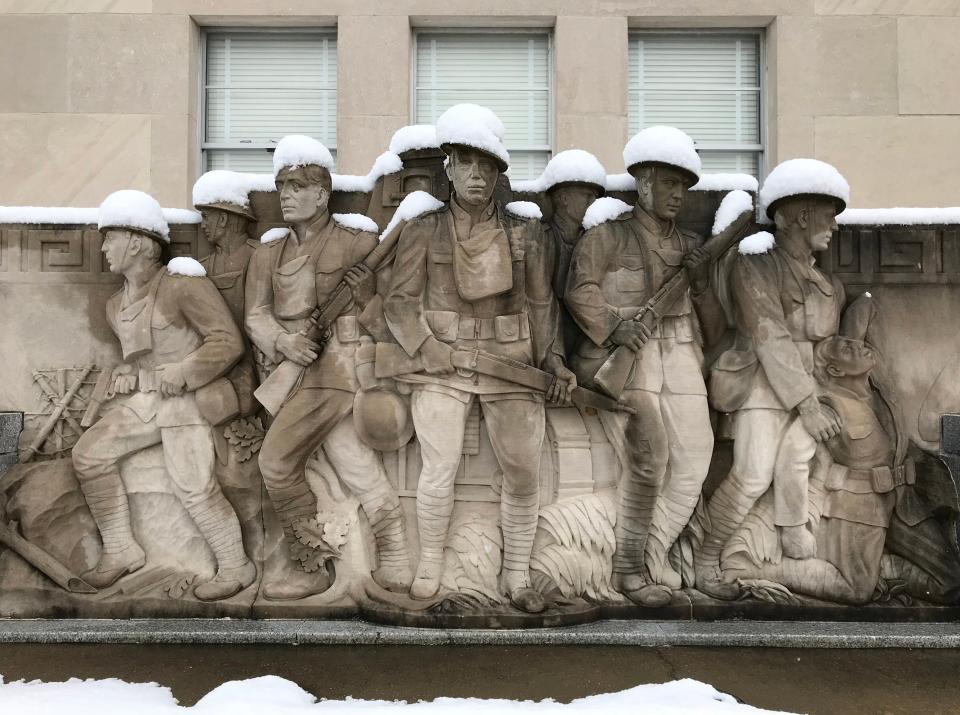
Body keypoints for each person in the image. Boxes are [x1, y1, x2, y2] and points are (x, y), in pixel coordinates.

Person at [383, 104, 576, 612]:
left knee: (522, 470)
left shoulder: (524, 232)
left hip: (509, 363)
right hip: (442, 365)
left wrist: (553, 360)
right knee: (438, 467)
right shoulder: (423, 229)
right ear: (449, 168)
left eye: (486, 166)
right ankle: (430, 563)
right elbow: (400, 301)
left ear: (497, 173)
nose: (475, 175)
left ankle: (516, 575)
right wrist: (428, 349)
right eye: (465, 163)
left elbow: (541, 302)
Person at [245, 135, 411, 601]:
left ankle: (310, 565)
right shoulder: (267, 253)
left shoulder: (358, 242)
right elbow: (254, 314)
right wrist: (284, 341)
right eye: (282, 187)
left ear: (323, 194)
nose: (287, 196)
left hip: (338, 370)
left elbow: (391, 309)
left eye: (297, 186)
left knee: (275, 463)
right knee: (355, 466)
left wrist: (364, 297)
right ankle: (393, 552)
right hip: (294, 369)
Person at [565, 126, 724, 606]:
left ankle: (654, 552)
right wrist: (616, 326)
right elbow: (580, 291)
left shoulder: (693, 245)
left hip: (680, 351)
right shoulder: (608, 236)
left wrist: (699, 284)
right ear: (643, 183)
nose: (678, 194)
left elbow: (716, 325)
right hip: (629, 360)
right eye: (668, 183)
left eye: (684, 186)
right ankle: (630, 567)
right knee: (649, 456)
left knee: (697, 455)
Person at [72, 190, 256, 601]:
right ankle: (121, 549)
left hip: (188, 401)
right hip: (148, 401)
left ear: (136, 242)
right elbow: (141, 359)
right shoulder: (115, 304)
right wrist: (126, 374)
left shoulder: (181, 284)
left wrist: (186, 371)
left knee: (193, 485)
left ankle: (235, 566)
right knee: (88, 455)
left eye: (110, 238)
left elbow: (227, 342)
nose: (103, 248)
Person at [697, 158, 849, 599]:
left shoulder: (826, 282)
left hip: (814, 390)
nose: (834, 227)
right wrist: (807, 403)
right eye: (828, 215)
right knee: (752, 475)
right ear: (801, 216)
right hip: (765, 386)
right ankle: (707, 562)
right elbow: (770, 335)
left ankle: (777, 554)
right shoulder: (757, 265)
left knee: (805, 473)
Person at [539, 149, 606, 356]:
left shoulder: (595, 238)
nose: (593, 202)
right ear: (563, 198)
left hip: (587, 331)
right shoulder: (544, 238)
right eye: (587, 195)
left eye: (595, 197)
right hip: (551, 331)